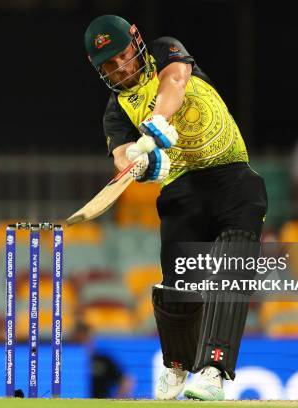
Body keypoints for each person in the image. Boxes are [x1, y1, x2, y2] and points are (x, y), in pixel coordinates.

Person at [83, 15, 267, 401]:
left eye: (123, 57)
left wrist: (155, 121)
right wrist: (140, 160)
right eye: (109, 66)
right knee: (178, 285)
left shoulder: (167, 50)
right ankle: (177, 367)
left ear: (137, 44)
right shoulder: (116, 111)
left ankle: (214, 370)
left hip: (233, 177)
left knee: (233, 267)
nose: (120, 68)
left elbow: (175, 82)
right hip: (182, 191)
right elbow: (120, 156)